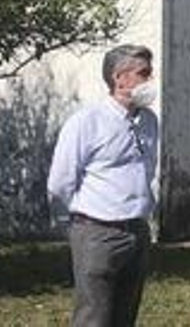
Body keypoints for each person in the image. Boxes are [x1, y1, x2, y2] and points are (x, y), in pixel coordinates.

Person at [47, 44, 161, 327]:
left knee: (125, 315)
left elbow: (147, 171)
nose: (150, 80)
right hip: (97, 231)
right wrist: (73, 224)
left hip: (136, 229)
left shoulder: (148, 120)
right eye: (143, 73)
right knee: (94, 316)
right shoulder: (87, 122)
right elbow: (61, 180)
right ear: (119, 78)